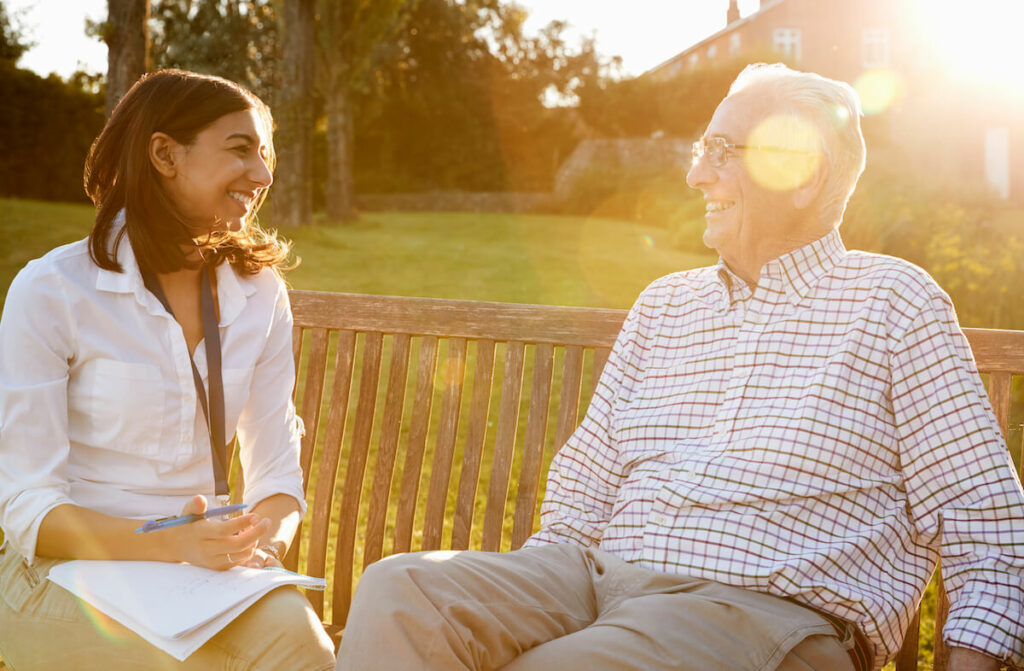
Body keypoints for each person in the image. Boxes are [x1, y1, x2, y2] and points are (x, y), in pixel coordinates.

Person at [334, 64, 1024, 671]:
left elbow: (987, 523)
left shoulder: (893, 303)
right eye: (703, 149)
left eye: (721, 151)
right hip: (598, 581)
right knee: (403, 593)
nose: (697, 173)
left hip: (760, 613)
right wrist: (536, 596)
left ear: (802, 170)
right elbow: (585, 486)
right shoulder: (665, 303)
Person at [0, 70, 336, 670]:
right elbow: (28, 507)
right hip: (61, 572)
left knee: (304, 648)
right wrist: (171, 543)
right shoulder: (52, 291)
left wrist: (262, 543)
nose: (262, 175)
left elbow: (276, 471)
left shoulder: (260, 294)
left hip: (198, 577)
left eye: (265, 154)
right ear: (164, 154)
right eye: (240, 150)